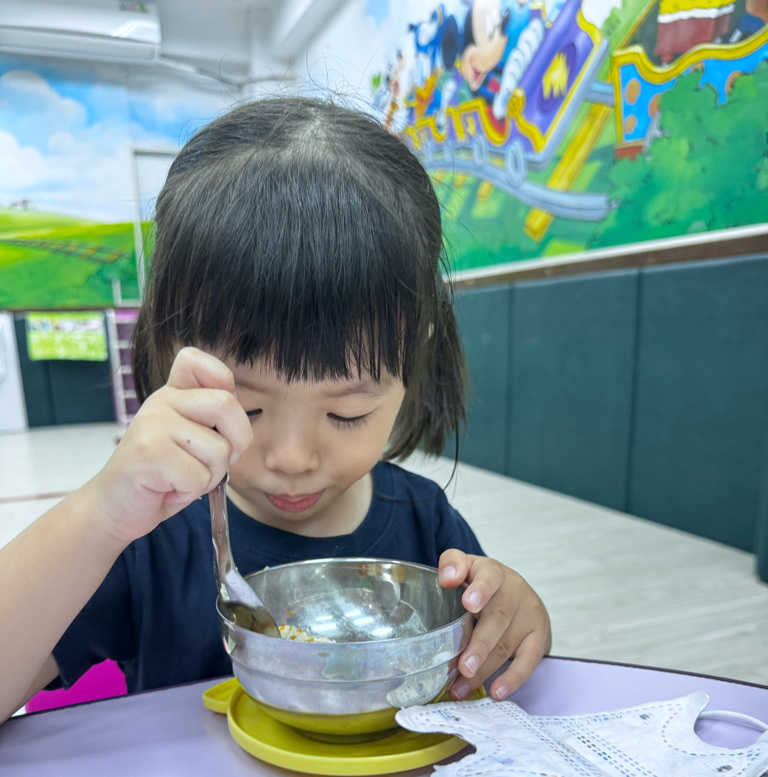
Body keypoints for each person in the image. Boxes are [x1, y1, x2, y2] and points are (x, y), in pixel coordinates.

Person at [0, 96, 550, 725]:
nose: (291, 459)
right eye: (247, 407)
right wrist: (98, 516)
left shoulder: (426, 525)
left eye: (346, 413)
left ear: (413, 358)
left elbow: (484, 676)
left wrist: (513, 620)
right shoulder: (145, 537)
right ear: (167, 349)